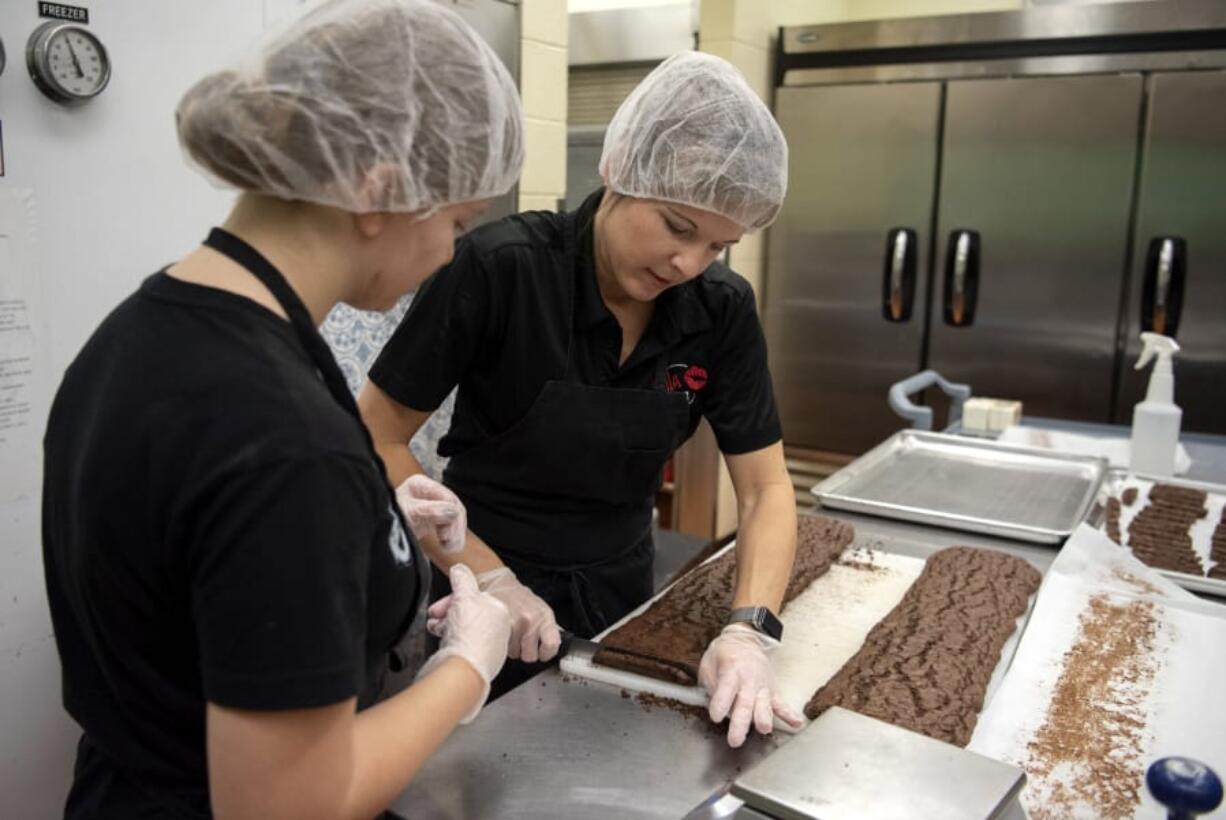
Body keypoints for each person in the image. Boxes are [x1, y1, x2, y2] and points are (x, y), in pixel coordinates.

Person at [40, 2, 522, 818]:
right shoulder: (287, 440)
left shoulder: (139, 333)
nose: (449, 254)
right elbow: (290, 804)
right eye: (458, 222)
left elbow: (193, 553)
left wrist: (369, 525)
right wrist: (465, 670)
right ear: (381, 190)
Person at [359, 51, 803, 748]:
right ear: (620, 171)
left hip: (624, 597)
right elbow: (376, 436)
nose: (688, 264)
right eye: (677, 227)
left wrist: (750, 631)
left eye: (720, 245)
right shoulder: (500, 268)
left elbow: (766, 489)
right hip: (477, 595)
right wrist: (493, 580)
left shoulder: (720, 311)